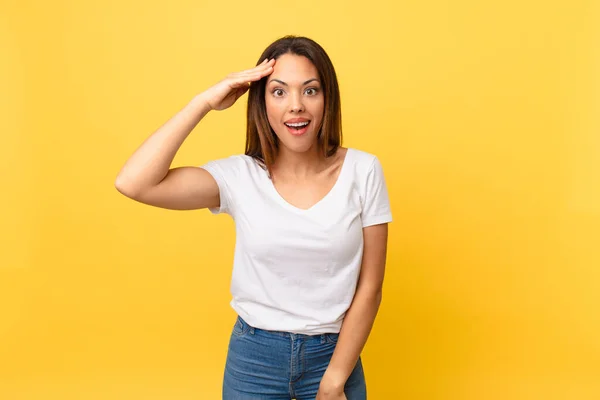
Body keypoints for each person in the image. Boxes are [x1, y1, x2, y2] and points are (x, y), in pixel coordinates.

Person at [115, 35, 392, 400]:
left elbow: (370, 287)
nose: (296, 106)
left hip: (335, 356)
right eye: (279, 92)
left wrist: (334, 380)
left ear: (327, 100)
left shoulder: (364, 170)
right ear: (261, 102)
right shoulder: (239, 177)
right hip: (254, 363)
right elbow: (133, 183)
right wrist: (204, 102)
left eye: (310, 91)